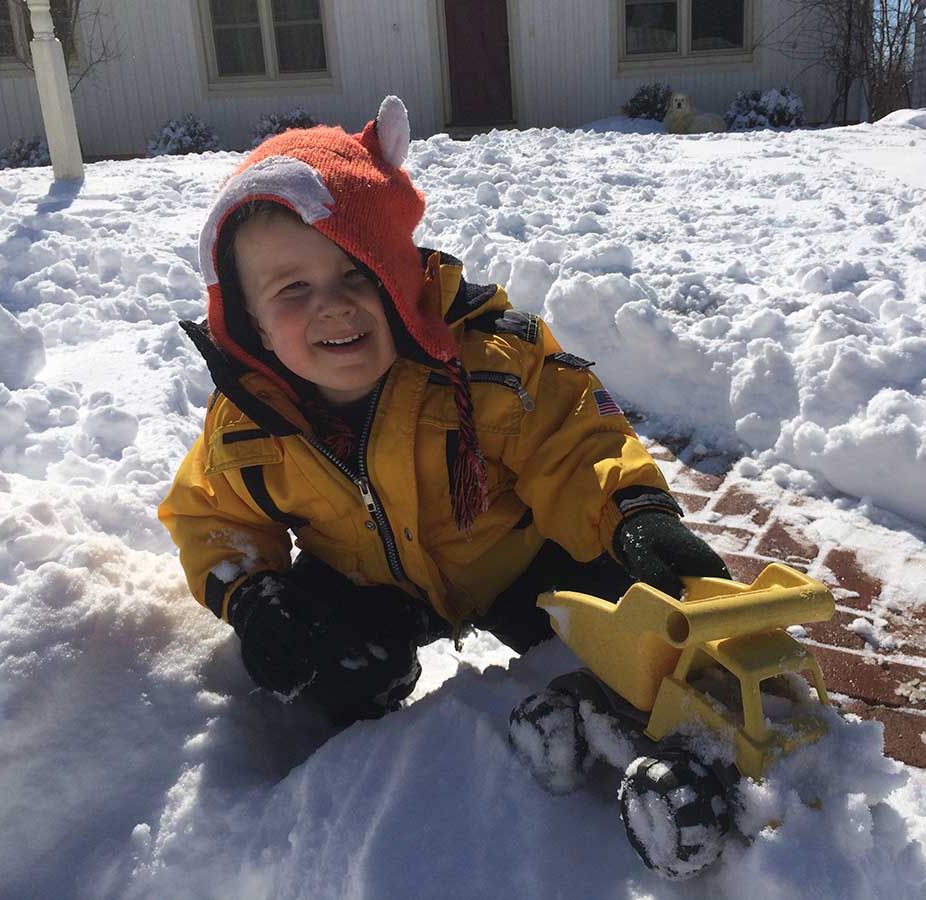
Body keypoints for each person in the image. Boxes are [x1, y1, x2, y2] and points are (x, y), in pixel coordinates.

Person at [158, 96, 729, 725]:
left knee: (627, 625)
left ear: (400, 277)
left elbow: (575, 442)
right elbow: (211, 515)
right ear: (254, 325)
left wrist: (633, 515)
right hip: (373, 589)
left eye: (358, 273)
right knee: (319, 656)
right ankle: (367, 716)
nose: (334, 306)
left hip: (516, 566)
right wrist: (251, 597)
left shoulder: (485, 361)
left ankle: (664, 714)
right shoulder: (250, 419)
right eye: (292, 289)